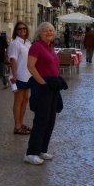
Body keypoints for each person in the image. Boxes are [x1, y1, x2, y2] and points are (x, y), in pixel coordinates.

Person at [24, 22, 61, 165]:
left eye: (51, 31)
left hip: (53, 87)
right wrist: (42, 82)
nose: (49, 33)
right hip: (43, 87)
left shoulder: (50, 47)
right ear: (39, 33)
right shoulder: (36, 46)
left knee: (50, 120)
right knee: (41, 120)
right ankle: (31, 153)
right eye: (46, 31)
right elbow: (30, 66)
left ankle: (42, 149)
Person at [7, 21, 31, 135]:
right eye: (20, 29)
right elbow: (12, 59)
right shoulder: (15, 43)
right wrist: (14, 75)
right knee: (18, 100)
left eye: (24, 29)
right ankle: (17, 126)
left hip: (28, 76)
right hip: (19, 76)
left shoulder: (28, 43)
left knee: (25, 100)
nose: (23, 31)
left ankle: (21, 123)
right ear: (16, 31)